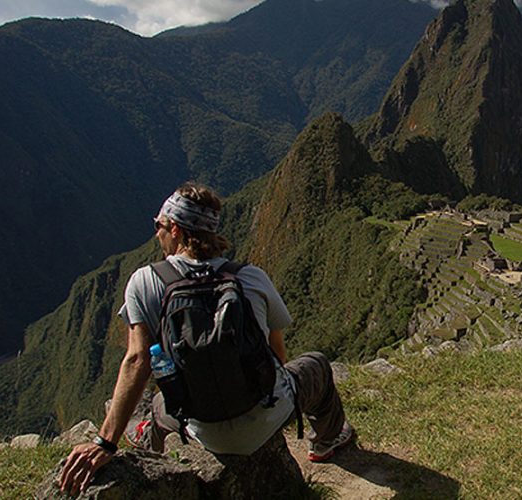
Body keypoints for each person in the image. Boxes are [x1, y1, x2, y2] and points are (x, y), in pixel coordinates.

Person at [60, 183, 353, 495]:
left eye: (158, 225)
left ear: (175, 228)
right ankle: (326, 441)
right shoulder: (250, 277)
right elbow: (277, 353)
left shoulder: (145, 282)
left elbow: (137, 360)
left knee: (159, 404)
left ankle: (153, 450)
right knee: (317, 365)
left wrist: (105, 441)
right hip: (266, 414)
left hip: (200, 427)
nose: (157, 232)